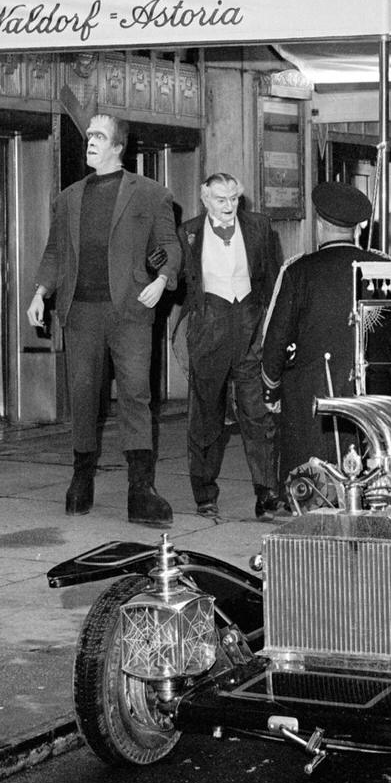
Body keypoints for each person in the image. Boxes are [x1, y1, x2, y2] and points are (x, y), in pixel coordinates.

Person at [26, 114, 181, 524]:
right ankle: (81, 479)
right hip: (80, 311)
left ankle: (140, 489)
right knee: (82, 394)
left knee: (136, 394)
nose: (90, 142)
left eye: (99, 136)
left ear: (118, 147)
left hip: (130, 310)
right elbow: (55, 251)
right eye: (89, 135)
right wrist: (40, 292)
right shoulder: (68, 197)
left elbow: (169, 245)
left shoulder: (151, 194)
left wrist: (162, 279)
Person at [260, 182, 389, 477]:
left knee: (311, 484)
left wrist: (271, 390)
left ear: (319, 224)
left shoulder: (298, 271)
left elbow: (276, 340)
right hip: (373, 394)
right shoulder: (383, 268)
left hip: (311, 398)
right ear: (357, 229)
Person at [176, 173, 284, 522]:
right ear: (205, 198)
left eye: (234, 198)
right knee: (205, 416)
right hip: (209, 325)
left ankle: (266, 492)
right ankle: (205, 493)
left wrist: (273, 326)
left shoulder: (259, 227)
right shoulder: (188, 232)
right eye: (221, 199)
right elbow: (176, 277)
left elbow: (273, 279)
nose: (229, 206)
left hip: (250, 324)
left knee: (258, 412)